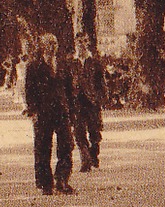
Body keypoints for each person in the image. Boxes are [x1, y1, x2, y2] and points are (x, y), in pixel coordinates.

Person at [24, 34, 75, 195]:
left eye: (55, 43)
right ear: (43, 46)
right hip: (43, 112)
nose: (52, 47)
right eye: (49, 44)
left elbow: (69, 89)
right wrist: (33, 111)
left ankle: (62, 179)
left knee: (66, 145)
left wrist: (72, 111)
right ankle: (45, 183)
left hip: (61, 111)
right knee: (42, 148)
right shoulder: (34, 66)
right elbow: (29, 91)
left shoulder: (63, 64)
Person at [70, 36, 105, 172]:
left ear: (87, 43)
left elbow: (101, 82)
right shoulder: (71, 63)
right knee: (78, 132)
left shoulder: (95, 62)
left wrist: (100, 98)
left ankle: (93, 153)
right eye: (79, 42)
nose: (81, 45)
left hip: (92, 101)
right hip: (76, 102)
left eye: (84, 42)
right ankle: (85, 159)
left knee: (94, 131)